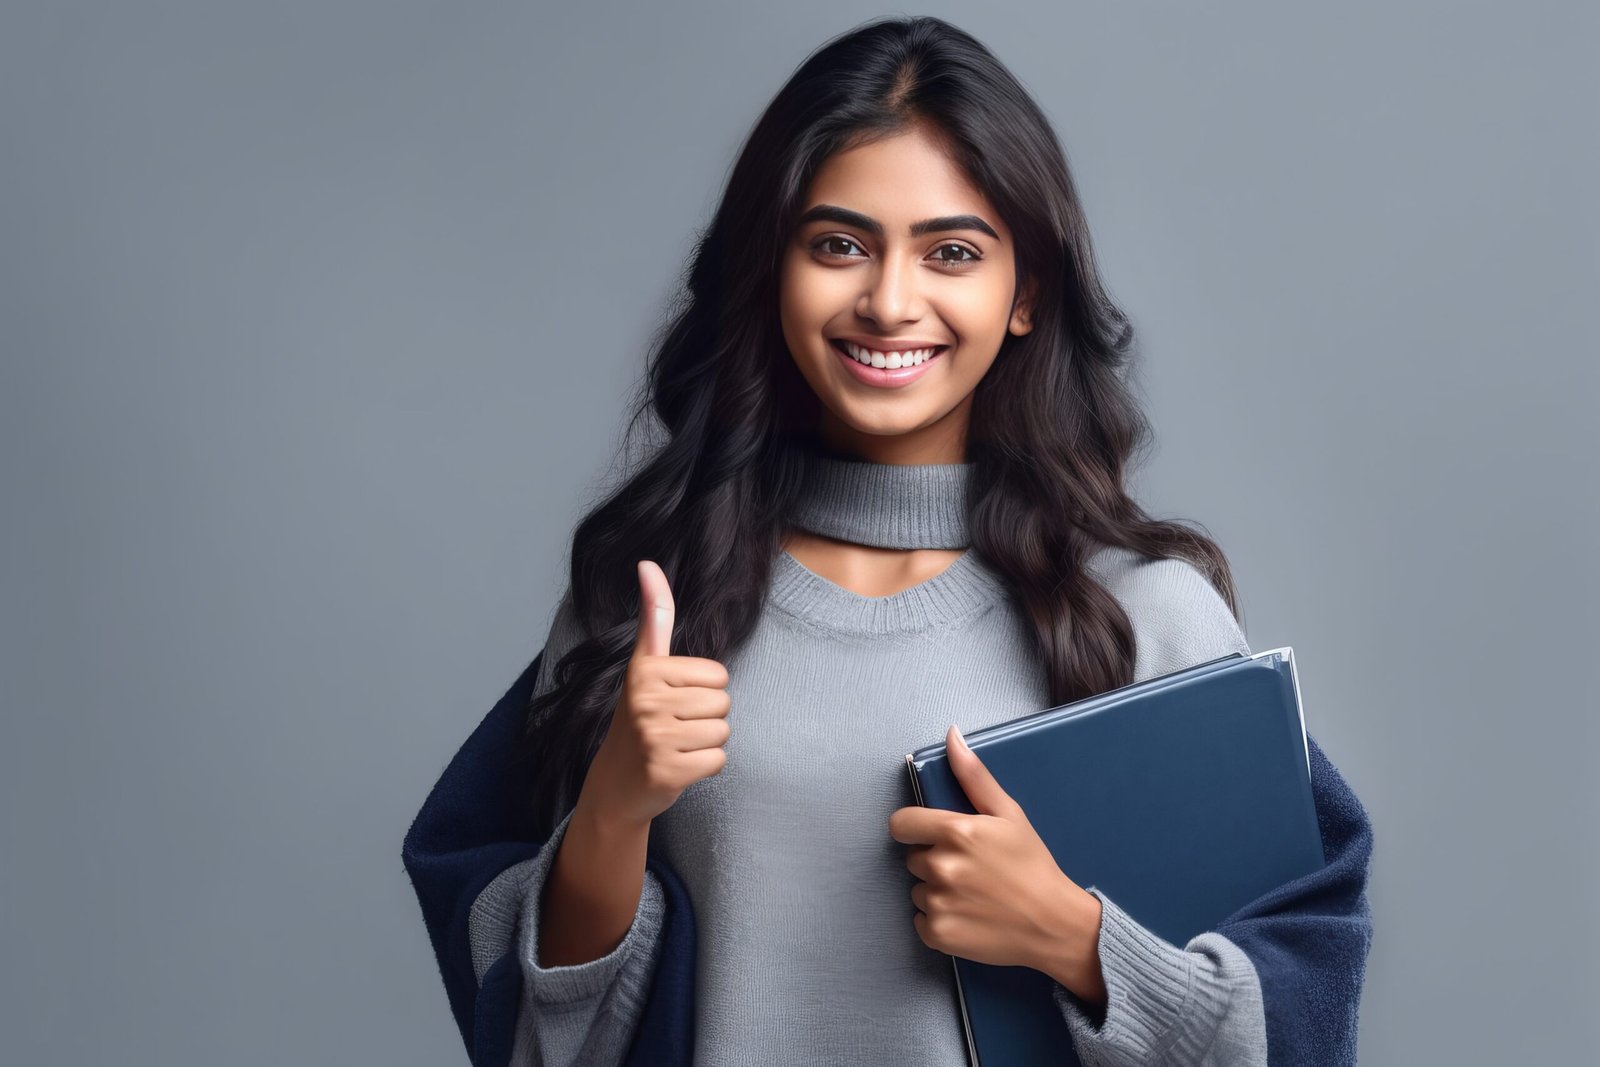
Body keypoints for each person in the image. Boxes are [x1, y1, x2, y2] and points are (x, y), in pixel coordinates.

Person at [402, 15, 1374, 1067]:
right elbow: (540, 1048)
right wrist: (609, 813)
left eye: (951, 251)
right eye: (838, 245)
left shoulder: (1146, 614)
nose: (889, 300)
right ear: (772, 273)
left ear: (1025, 295)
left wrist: (1071, 938)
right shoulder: (651, 607)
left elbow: (1298, 1022)